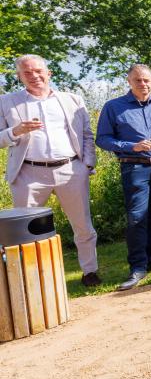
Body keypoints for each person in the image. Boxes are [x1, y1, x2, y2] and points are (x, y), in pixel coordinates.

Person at [0, 55, 100, 286]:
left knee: (83, 225)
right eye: (27, 73)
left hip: (71, 169)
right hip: (28, 173)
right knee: (24, 230)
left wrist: (87, 165)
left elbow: (86, 134)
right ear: (19, 76)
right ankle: (31, 280)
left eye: (38, 71)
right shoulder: (7, 102)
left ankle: (90, 272)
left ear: (49, 73)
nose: (34, 76)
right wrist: (15, 131)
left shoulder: (72, 99)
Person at [96, 64, 151, 291]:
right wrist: (130, 146)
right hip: (135, 168)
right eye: (138, 80)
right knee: (136, 218)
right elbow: (103, 139)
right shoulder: (113, 107)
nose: (143, 84)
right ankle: (137, 267)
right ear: (129, 82)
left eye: (146, 80)